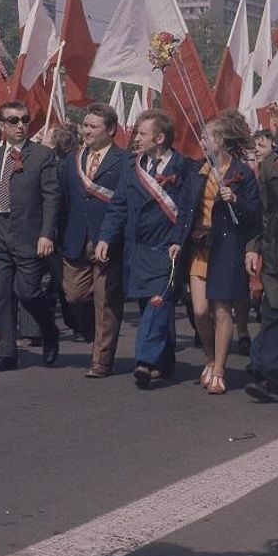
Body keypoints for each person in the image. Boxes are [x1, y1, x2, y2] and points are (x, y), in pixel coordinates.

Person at [95, 109, 196, 388]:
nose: (136, 139)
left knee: (157, 302)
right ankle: (164, 363)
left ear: (160, 138)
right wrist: (105, 236)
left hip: (167, 248)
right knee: (147, 304)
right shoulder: (132, 167)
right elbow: (118, 206)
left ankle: (144, 360)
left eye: (142, 134)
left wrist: (178, 239)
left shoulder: (183, 167)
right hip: (137, 248)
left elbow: (187, 210)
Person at [0, 99, 62, 373]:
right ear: (2, 125)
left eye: (25, 120)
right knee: (0, 292)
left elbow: (52, 198)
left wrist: (47, 234)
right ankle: (7, 353)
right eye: (13, 121)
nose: (20, 126)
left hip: (28, 231)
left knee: (26, 291)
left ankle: (48, 327)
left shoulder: (42, 155)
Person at [182, 115, 260, 395]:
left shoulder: (243, 173)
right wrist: (176, 241)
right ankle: (210, 357)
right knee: (200, 310)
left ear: (221, 141)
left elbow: (254, 216)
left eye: (206, 137)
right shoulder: (196, 170)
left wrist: (235, 200)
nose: (201, 141)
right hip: (199, 246)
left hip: (227, 247)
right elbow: (185, 211)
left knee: (222, 308)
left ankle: (219, 371)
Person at [58, 103, 128, 378]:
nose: (86, 131)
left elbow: (123, 204)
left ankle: (101, 360)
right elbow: (62, 200)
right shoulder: (70, 161)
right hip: (76, 239)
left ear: (110, 130)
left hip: (108, 242)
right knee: (74, 295)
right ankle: (87, 330)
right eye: (84, 126)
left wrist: (113, 236)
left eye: (92, 126)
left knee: (106, 303)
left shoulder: (124, 162)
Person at [247, 114, 278, 401]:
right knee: (273, 311)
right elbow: (262, 211)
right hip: (275, 250)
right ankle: (268, 372)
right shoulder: (270, 164)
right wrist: (252, 246)